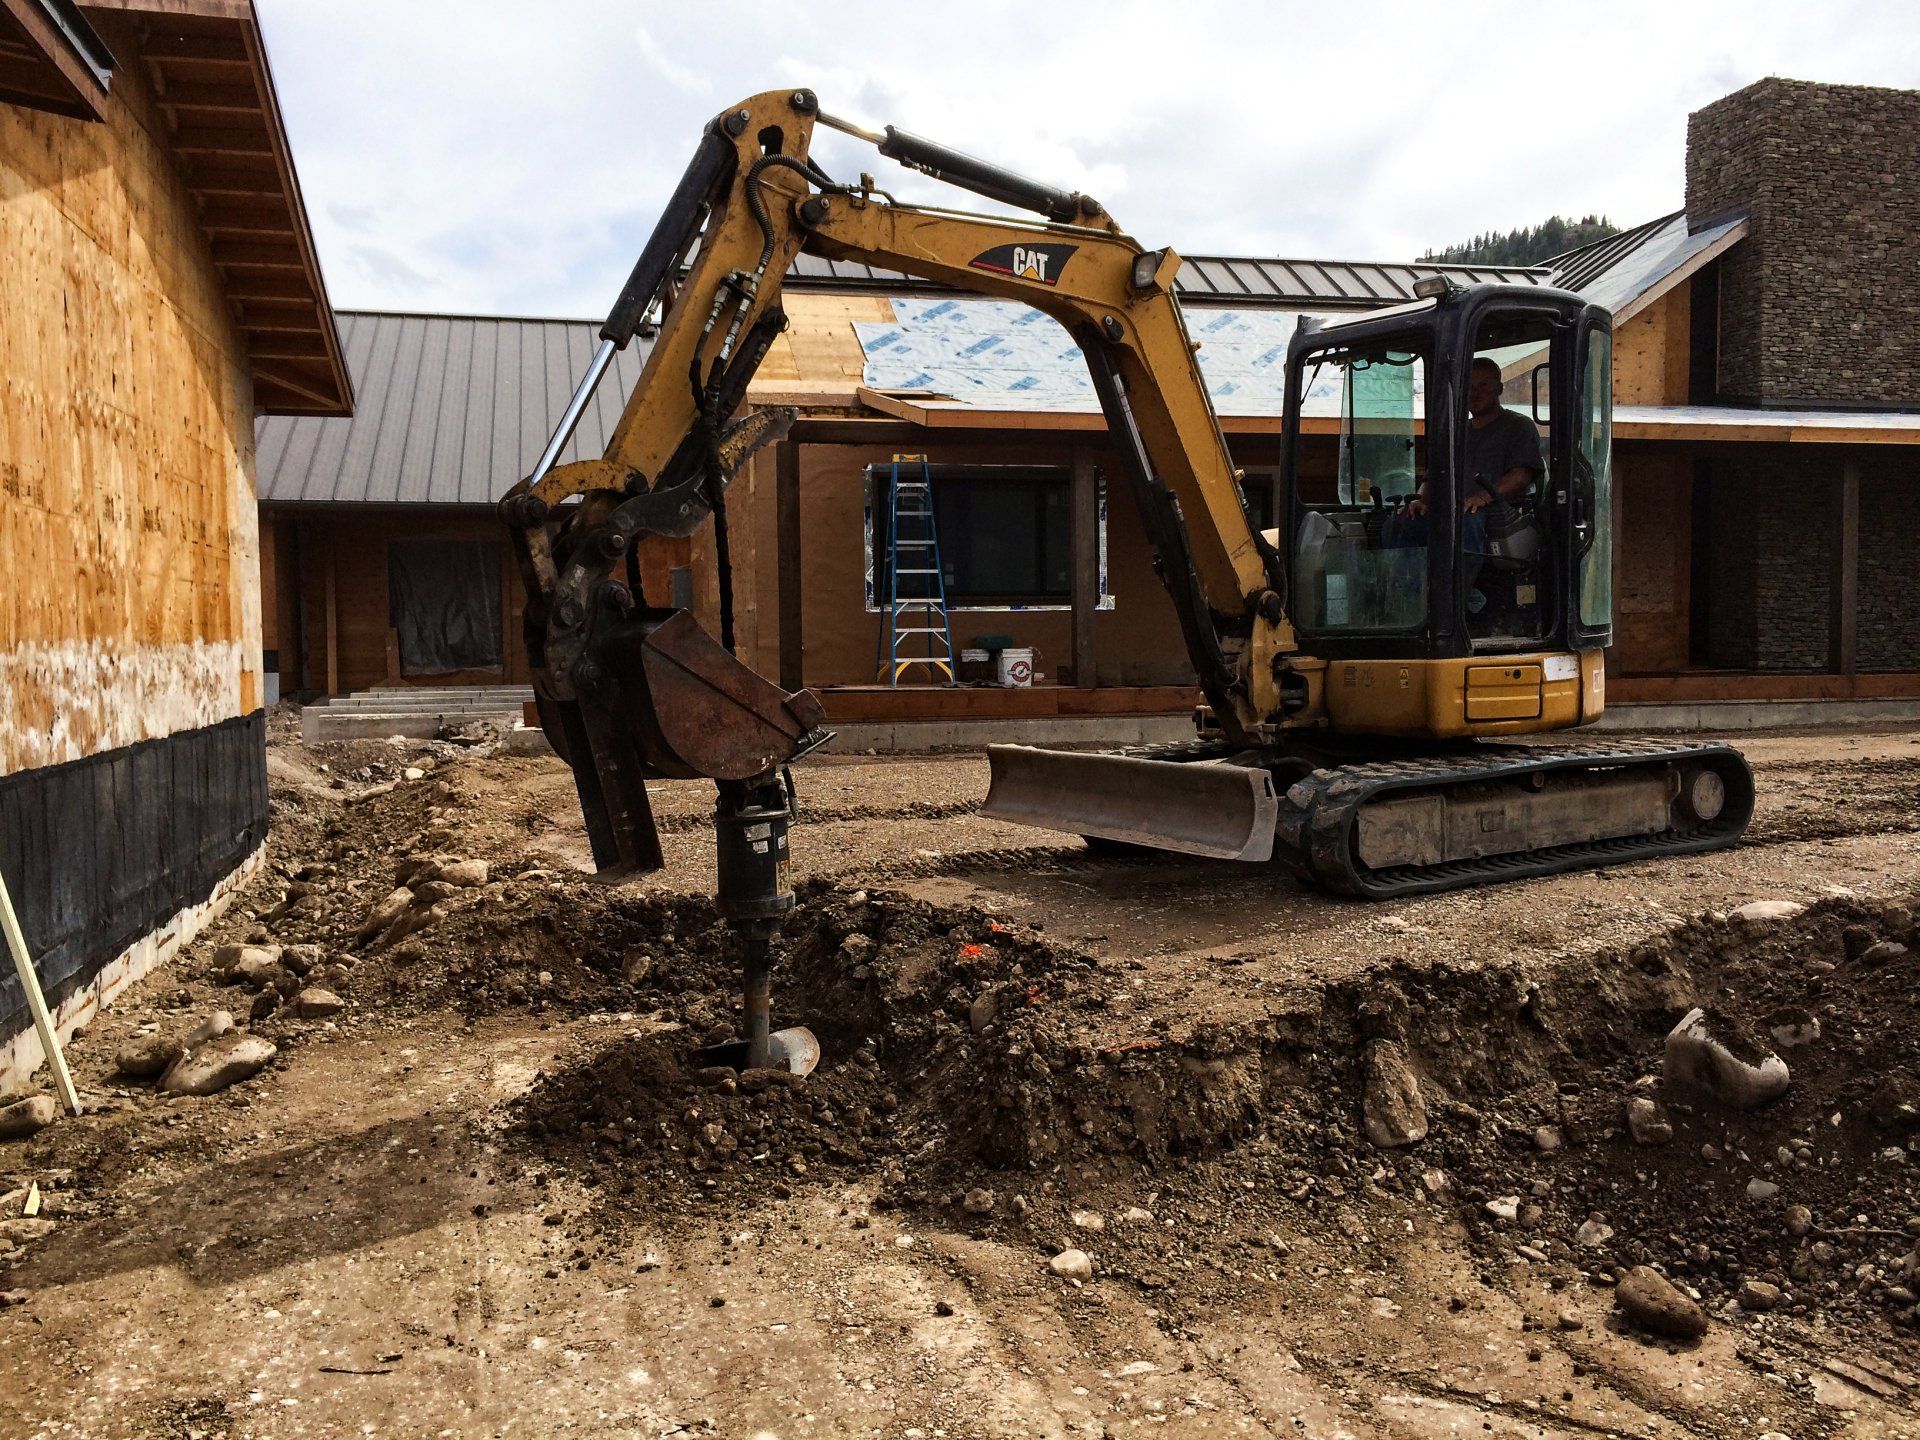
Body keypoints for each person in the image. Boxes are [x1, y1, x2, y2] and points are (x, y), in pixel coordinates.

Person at [1385, 356, 1544, 611]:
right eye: (1469, 387)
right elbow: (1434, 476)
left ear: (1499, 389)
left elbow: (1521, 476)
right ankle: (1406, 604)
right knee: (1398, 522)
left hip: (1495, 516)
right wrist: (1421, 501)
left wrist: (1484, 497)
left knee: (1468, 522)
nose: (1474, 393)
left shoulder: (1517, 426)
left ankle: (1450, 606)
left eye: (1483, 386)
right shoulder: (1455, 432)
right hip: (1452, 512)